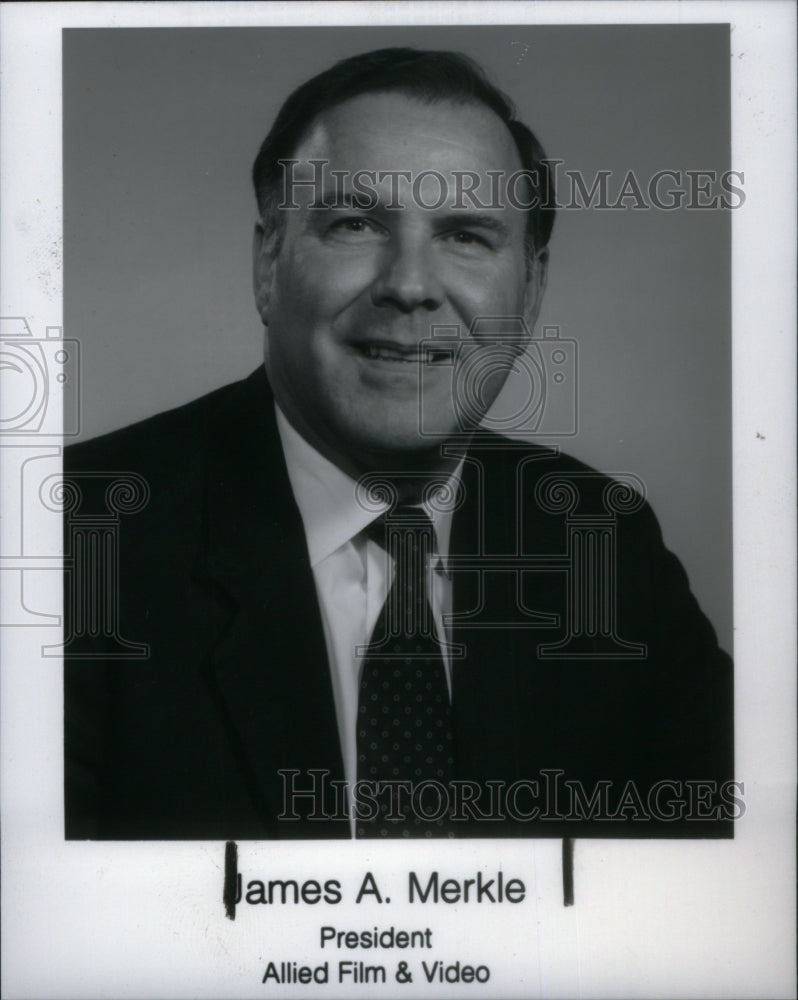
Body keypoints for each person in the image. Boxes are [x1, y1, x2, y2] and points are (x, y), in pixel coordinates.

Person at [64, 48, 733, 841]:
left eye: (466, 235)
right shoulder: (78, 540)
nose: (409, 285)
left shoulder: (602, 543)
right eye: (355, 224)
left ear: (532, 287)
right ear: (270, 262)